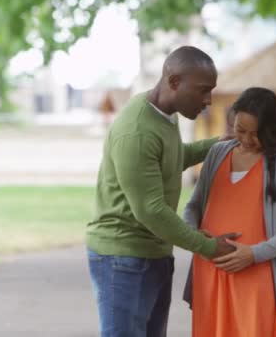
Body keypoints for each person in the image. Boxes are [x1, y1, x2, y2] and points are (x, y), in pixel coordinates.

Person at [85, 46, 239, 337]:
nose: (208, 101)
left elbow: (172, 158)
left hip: (153, 253)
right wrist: (207, 246)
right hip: (123, 258)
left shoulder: (165, 115)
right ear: (173, 81)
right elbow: (151, 210)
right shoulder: (138, 130)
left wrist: (219, 143)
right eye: (203, 90)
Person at [182, 87, 276, 337]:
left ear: (272, 131)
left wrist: (254, 253)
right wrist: (196, 239)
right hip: (209, 272)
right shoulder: (218, 153)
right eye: (240, 130)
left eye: (256, 133)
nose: (247, 139)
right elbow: (193, 207)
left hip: (255, 275)